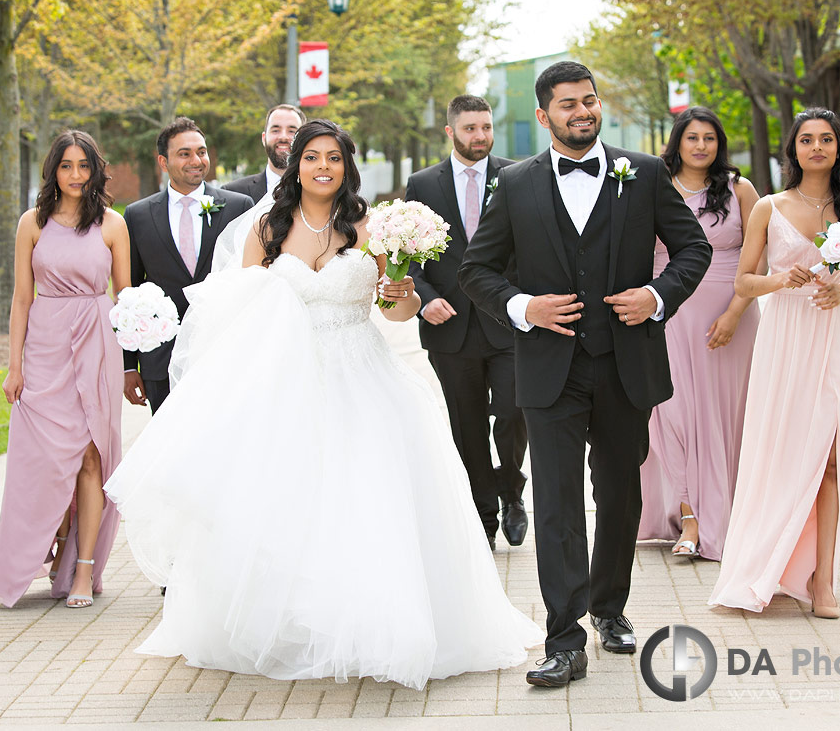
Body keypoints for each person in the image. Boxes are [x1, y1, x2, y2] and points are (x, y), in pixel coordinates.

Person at [104, 119, 541, 691]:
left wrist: (405, 293)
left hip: (362, 375)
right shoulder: (265, 228)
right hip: (286, 381)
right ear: (297, 165)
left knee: (365, 500)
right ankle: (289, 624)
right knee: (289, 498)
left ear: (347, 166)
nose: (323, 167)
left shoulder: (370, 227)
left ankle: (373, 623)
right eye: (312, 157)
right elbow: (239, 312)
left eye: (334, 157)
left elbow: (394, 315)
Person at [459, 61, 711, 687]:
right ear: (544, 116)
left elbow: (694, 250)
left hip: (627, 366)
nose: (583, 112)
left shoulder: (645, 174)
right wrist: (524, 308)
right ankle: (564, 637)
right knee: (557, 502)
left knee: (620, 495)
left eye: (590, 100)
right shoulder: (515, 184)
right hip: (549, 371)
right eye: (568, 104)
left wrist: (655, 296)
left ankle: (611, 608)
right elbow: (477, 269)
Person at [708, 107, 840, 620]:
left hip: (833, 338)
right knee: (782, 454)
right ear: (794, 149)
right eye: (808, 140)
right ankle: (769, 563)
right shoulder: (770, 207)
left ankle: (823, 583)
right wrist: (784, 281)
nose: (818, 147)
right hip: (783, 338)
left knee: (828, 459)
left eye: (827, 139)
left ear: (838, 148)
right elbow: (744, 282)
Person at [0, 131, 131, 609]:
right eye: (66, 166)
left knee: (91, 457)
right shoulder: (33, 223)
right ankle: (52, 550)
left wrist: (133, 348)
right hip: (44, 345)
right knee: (48, 460)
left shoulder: (112, 225)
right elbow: (21, 299)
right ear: (54, 171)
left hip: (94, 342)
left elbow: (126, 297)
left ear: (95, 170)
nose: (75, 175)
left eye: (83, 166)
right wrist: (14, 366)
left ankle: (84, 569)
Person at [405, 95, 528, 550]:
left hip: (509, 321)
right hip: (450, 325)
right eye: (470, 128)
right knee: (467, 424)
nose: (480, 136)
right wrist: (425, 300)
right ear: (451, 131)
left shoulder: (518, 175)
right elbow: (406, 257)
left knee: (515, 413)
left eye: (486, 127)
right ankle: (483, 511)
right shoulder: (422, 184)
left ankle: (513, 492)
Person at [638, 107, 761, 561]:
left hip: (731, 318)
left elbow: (759, 260)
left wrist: (733, 313)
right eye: (692, 137)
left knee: (724, 418)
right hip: (669, 316)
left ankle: (727, 514)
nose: (701, 146)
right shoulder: (653, 185)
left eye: (710, 138)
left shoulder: (739, 189)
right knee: (673, 414)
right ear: (677, 142)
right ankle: (690, 515)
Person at [123, 118, 253, 412]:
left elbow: (251, 282)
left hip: (223, 352)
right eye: (185, 154)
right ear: (163, 161)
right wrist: (129, 366)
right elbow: (128, 291)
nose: (197, 161)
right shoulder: (138, 215)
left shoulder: (238, 207)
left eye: (202, 152)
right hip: (160, 358)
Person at [220, 104, 306, 202]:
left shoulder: (318, 193)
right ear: (264, 138)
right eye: (276, 130)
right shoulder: (233, 192)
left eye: (291, 131)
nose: (283, 137)